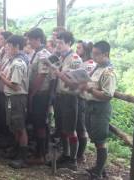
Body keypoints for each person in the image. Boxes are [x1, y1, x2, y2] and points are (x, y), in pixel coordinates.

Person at [79, 41, 116, 179]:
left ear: (105, 54)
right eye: (93, 53)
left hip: (100, 108)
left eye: (96, 54)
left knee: (100, 139)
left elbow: (107, 95)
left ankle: (98, 173)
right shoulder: (97, 68)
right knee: (95, 137)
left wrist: (90, 89)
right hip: (90, 106)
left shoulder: (108, 72)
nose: (93, 57)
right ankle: (100, 167)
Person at [0, 35, 29, 169]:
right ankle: (16, 151)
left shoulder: (17, 63)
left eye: (9, 46)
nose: (6, 49)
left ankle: (23, 158)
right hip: (11, 97)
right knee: (14, 126)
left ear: (16, 47)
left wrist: (0, 76)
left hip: (17, 98)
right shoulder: (12, 60)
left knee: (20, 127)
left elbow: (15, 85)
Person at [52, 31, 82, 171]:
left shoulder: (74, 59)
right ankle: (65, 154)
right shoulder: (62, 57)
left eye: (61, 43)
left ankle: (73, 160)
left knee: (70, 129)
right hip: (60, 96)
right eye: (57, 42)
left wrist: (59, 74)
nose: (57, 45)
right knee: (62, 128)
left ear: (69, 43)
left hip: (69, 97)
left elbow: (75, 84)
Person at [25, 28, 52, 165]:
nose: (29, 42)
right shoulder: (36, 53)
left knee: (40, 123)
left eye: (31, 39)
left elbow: (41, 76)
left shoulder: (43, 54)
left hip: (41, 94)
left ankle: (41, 154)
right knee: (36, 123)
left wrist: (32, 93)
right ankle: (39, 151)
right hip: (36, 93)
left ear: (38, 39)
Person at [75, 40, 96, 163]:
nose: (77, 50)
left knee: (81, 126)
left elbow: (85, 81)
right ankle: (78, 152)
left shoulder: (89, 64)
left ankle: (81, 154)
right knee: (77, 125)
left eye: (79, 48)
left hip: (83, 98)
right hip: (78, 96)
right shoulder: (82, 62)